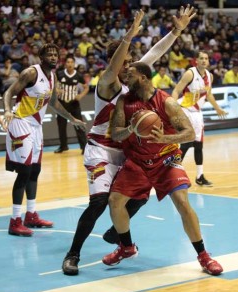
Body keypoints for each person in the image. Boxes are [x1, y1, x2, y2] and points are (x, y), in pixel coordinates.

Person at [62, 5, 196, 276]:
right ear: (114, 62)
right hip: (101, 149)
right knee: (99, 202)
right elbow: (115, 66)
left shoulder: (132, 84)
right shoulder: (106, 84)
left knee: (137, 197)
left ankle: (123, 240)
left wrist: (176, 31)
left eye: (128, 63)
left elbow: (154, 53)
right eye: (122, 62)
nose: (127, 66)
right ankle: (73, 254)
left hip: (126, 150)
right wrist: (128, 37)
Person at [102, 61, 223, 276]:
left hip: (165, 160)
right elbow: (117, 133)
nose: (125, 79)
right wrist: (131, 128)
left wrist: (164, 137)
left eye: (130, 75)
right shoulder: (124, 101)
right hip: (137, 162)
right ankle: (127, 248)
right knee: (115, 202)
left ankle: (204, 256)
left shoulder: (166, 102)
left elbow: (188, 133)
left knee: (183, 203)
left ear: (143, 78)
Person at [3, 43, 86, 237]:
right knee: (23, 172)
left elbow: (55, 103)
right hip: (21, 123)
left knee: (35, 171)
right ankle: (15, 221)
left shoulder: (52, 76)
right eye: (49, 54)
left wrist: (72, 119)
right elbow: (8, 93)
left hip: (36, 127)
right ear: (41, 57)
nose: (53, 57)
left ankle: (31, 214)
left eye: (56, 54)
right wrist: (7, 110)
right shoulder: (30, 73)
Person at [172, 51, 227, 186]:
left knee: (198, 145)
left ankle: (199, 176)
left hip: (197, 113)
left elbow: (209, 95)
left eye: (206, 59)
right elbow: (176, 90)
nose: (204, 60)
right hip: (185, 110)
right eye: (201, 58)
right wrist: (172, 109)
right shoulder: (190, 73)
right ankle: (173, 175)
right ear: (196, 61)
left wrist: (217, 108)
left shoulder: (210, 76)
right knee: (185, 144)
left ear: (208, 61)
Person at [54, 56, 89, 154]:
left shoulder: (78, 75)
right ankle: (63, 146)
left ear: (74, 64)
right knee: (61, 126)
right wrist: (57, 89)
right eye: (68, 62)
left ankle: (84, 147)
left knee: (79, 125)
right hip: (62, 104)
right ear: (65, 64)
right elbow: (53, 84)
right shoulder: (60, 74)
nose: (69, 64)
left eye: (71, 62)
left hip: (74, 104)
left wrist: (80, 96)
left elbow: (86, 87)